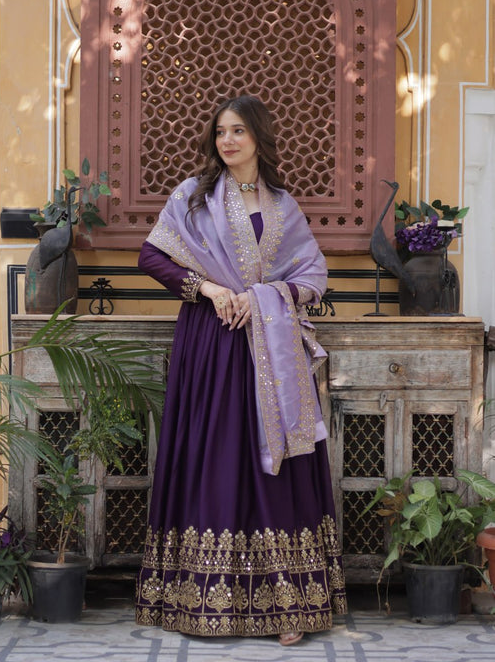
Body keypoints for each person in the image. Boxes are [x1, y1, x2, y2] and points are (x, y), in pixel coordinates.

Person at [135, 95, 347, 644]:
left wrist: (264, 297)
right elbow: (151, 256)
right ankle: (200, 599)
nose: (227, 141)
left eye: (238, 131)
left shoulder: (283, 205)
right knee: (218, 456)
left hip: (271, 350)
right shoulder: (195, 196)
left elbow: (312, 273)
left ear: (258, 137)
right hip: (212, 342)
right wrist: (207, 288)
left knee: (274, 466)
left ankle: (287, 605)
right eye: (220, 133)